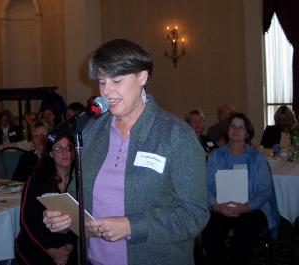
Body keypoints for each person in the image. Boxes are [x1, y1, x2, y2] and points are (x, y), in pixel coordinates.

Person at [43, 39, 209, 265]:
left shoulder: (177, 136)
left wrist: (131, 226)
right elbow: (77, 194)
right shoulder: (92, 131)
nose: (106, 91)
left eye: (117, 80)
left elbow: (194, 214)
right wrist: (63, 216)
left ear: (142, 77)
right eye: (102, 82)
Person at [202, 112, 279, 265]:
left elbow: (265, 190)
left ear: (247, 132)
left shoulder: (257, 158)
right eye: (233, 126)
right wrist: (216, 206)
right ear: (227, 130)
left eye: (241, 127)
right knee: (210, 236)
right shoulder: (216, 156)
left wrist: (246, 207)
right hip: (221, 207)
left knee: (242, 238)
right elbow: (206, 186)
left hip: (252, 209)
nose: (236, 130)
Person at [15, 134, 77, 265]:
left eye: (69, 148)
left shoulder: (79, 179)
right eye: (59, 149)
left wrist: (69, 247)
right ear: (50, 154)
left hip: (69, 245)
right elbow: (27, 221)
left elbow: (82, 220)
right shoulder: (37, 179)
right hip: (39, 244)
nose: (65, 152)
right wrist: (51, 251)